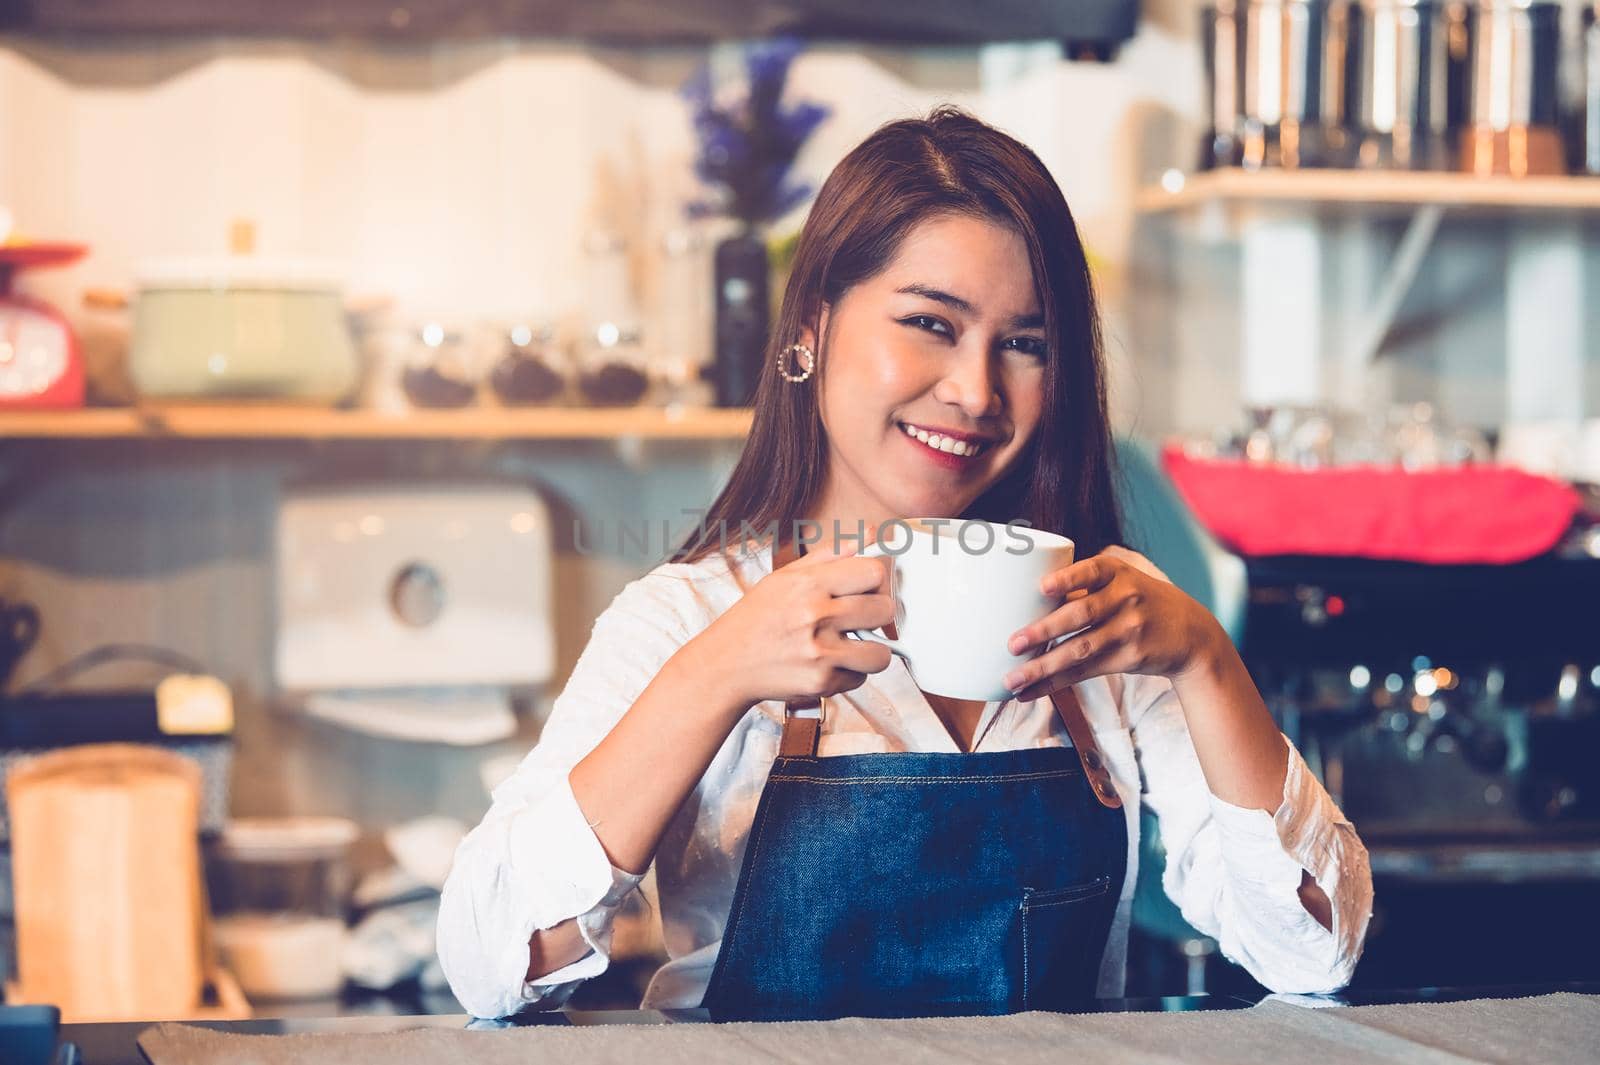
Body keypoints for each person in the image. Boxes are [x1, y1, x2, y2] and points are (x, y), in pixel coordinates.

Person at [436, 106, 1373, 1021]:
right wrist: (715, 674)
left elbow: (1312, 954)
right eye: (931, 322)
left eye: (1024, 344)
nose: (975, 390)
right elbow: (492, 965)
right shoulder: (686, 617)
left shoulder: (1109, 630)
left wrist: (1205, 659)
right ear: (809, 327)